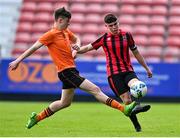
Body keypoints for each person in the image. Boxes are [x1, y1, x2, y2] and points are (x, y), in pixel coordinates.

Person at [9, 8, 137, 129]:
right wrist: (17, 61)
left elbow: (77, 39)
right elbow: (34, 48)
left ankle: (37, 117)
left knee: (64, 103)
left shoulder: (65, 32)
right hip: (66, 72)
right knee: (95, 90)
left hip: (70, 70)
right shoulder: (50, 35)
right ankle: (123, 109)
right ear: (60, 20)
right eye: (67, 22)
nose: (69, 24)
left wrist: (76, 49)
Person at [72, 13, 153, 132]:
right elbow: (87, 48)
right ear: (106, 26)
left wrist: (146, 68)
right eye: (111, 25)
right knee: (127, 101)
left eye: (115, 24)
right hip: (114, 75)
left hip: (128, 71)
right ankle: (136, 124)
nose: (114, 27)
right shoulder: (104, 39)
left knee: (136, 85)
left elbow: (136, 52)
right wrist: (78, 50)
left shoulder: (127, 35)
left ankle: (137, 105)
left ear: (118, 23)